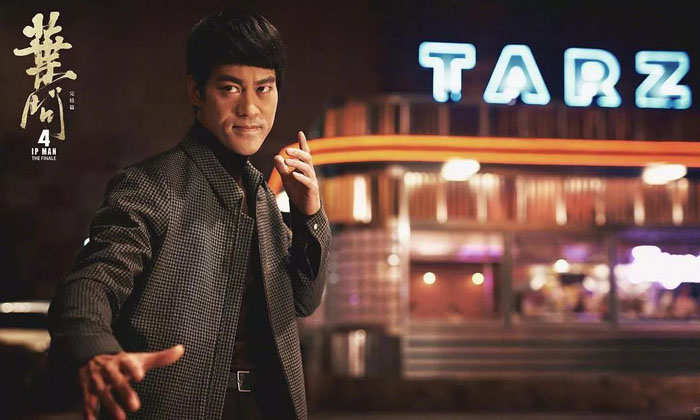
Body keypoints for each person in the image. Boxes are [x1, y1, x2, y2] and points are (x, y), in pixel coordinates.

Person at [47, 10, 331, 420]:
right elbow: (91, 282)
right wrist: (97, 351)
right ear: (196, 91)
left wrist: (309, 214)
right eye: (230, 88)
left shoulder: (262, 196)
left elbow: (304, 300)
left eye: (264, 88)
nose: (250, 108)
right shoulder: (151, 185)